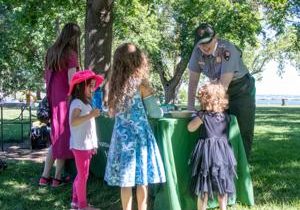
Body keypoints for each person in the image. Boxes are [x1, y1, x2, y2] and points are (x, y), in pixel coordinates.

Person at [104, 43, 166, 210]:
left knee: (125, 181)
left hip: (121, 138)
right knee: (142, 179)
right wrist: (162, 110)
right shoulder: (141, 83)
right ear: (138, 60)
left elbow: (110, 113)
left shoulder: (112, 85)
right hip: (140, 137)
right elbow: (155, 112)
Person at [187, 23, 256, 160]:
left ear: (216, 38)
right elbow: (193, 81)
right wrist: (190, 108)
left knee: (242, 130)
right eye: (201, 44)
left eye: (208, 42)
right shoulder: (197, 52)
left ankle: (242, 167)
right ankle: (223, 163)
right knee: (215, 127)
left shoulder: (227, 49)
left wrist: (207, 110)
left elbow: (223, 86)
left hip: (240, 89)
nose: (205, 47)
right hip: (217, 89)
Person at [39, 22, 81, 187]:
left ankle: (44, 177)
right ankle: (56, 179)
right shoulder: (70, 53)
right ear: (73, 37)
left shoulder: (51, 51)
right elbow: (72, 80)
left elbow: (46, 77)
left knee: (55, 140)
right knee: (62, 140)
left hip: (53, 99)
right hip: (65, 100)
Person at [188, 82, 236, 210]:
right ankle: (223, 207)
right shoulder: (226, 116)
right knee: (223, 183)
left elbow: (190, 128)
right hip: (223, 155)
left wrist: (194, 116)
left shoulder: (203, 115)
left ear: (205, 100)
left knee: (203, 185)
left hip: (207, 156)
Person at [69, 70, 104, 210]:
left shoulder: (86, 104)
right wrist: (91, 115)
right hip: (80, 145)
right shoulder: (77, 103)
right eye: (90, 85)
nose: (93, 88)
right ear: (80, 87)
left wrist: (93, 144)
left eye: (94, 85)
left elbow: (90, 128)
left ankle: (75, 202)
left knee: (82, 174)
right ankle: (83, 206)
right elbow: (74, 122)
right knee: (83, 176)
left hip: (86, 145)